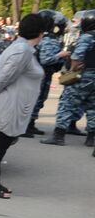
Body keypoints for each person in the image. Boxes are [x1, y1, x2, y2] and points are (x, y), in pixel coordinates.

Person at [0, 13, 46, 197]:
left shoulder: (21, 48)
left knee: (0, 145)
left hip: (10, 104)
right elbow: (5, 75)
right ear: (40, 32)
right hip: (8, 106)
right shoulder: (23, 51)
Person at [43, 13, 95, 148]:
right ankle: (91, 138)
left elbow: (77, 57)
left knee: (67, 103)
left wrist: (72, 70)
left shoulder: (87, 37)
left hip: (83, 75)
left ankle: (58, 136)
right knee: (92, 107)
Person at [24, 9, 66, 137]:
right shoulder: (48, 40)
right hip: (40, 74)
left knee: (40, 99)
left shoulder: (45, 38)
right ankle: (25, 126)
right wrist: (61, 55)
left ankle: (30, 124)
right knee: (35, 99)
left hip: (43, 75)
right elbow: (46, 59)